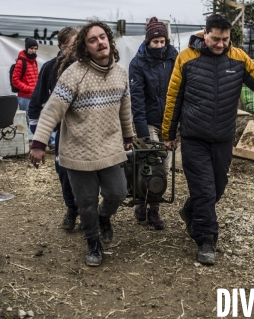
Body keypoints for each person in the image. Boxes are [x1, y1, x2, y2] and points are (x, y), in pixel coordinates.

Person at [162, 13, 254, 265]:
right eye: (215, 39)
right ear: (205, 34)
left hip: (223, 137)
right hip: (194, 136)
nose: (220, 44)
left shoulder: (238, 58)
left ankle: (191, 211)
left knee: (217, 187)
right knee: (204, 190)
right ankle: (206, 239)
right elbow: (173, 98)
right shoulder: (186, 59)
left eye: (225, 39)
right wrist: (168, 135)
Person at [29, 22, 133, 267]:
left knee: (118, 193)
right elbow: (52, 110)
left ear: (109, 39)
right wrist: (39, 143)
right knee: (85, 203)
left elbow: (125, 110)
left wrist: (128, 136)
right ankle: (92, 242)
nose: (100, 42)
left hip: (110, 148)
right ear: (85, 47)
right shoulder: (74, 74)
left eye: (103, 37)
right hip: (78, 150)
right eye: (93, 40)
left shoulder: (120, 73)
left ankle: (104, 217)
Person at [128, 17, 177, 230]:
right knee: (148, 165)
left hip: (169, 122)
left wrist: (176, 124)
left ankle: (154, 208)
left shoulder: (174, 58)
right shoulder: (138, 63)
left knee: (164, 167)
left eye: (162, 42)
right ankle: (141, 202)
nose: (159, 46)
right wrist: (142, 132)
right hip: (147, 120)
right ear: (148, 42)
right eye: (155, 42)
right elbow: (136, 99)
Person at [28, 26, 79, 231]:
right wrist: (40, 138)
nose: (77, 50)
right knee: (64, 172)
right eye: (73, 45)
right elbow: (37, 102)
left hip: (88, 131)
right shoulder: (50, 68)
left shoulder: (91, 67)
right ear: (62, 47)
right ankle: (71, 209)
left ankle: (89, 212)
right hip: (62, 131)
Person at [13, 38, 39, 128]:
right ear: (27, 48)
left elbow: (36, 78)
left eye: (35, 48)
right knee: (26, 121)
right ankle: (27, 141)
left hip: (34, 96)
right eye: (31, 48)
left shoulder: (34, 61)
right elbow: (15, 80)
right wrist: (28, 89)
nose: (33, 50)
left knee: (34, 120)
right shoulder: (21, 62)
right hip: (24, 97)